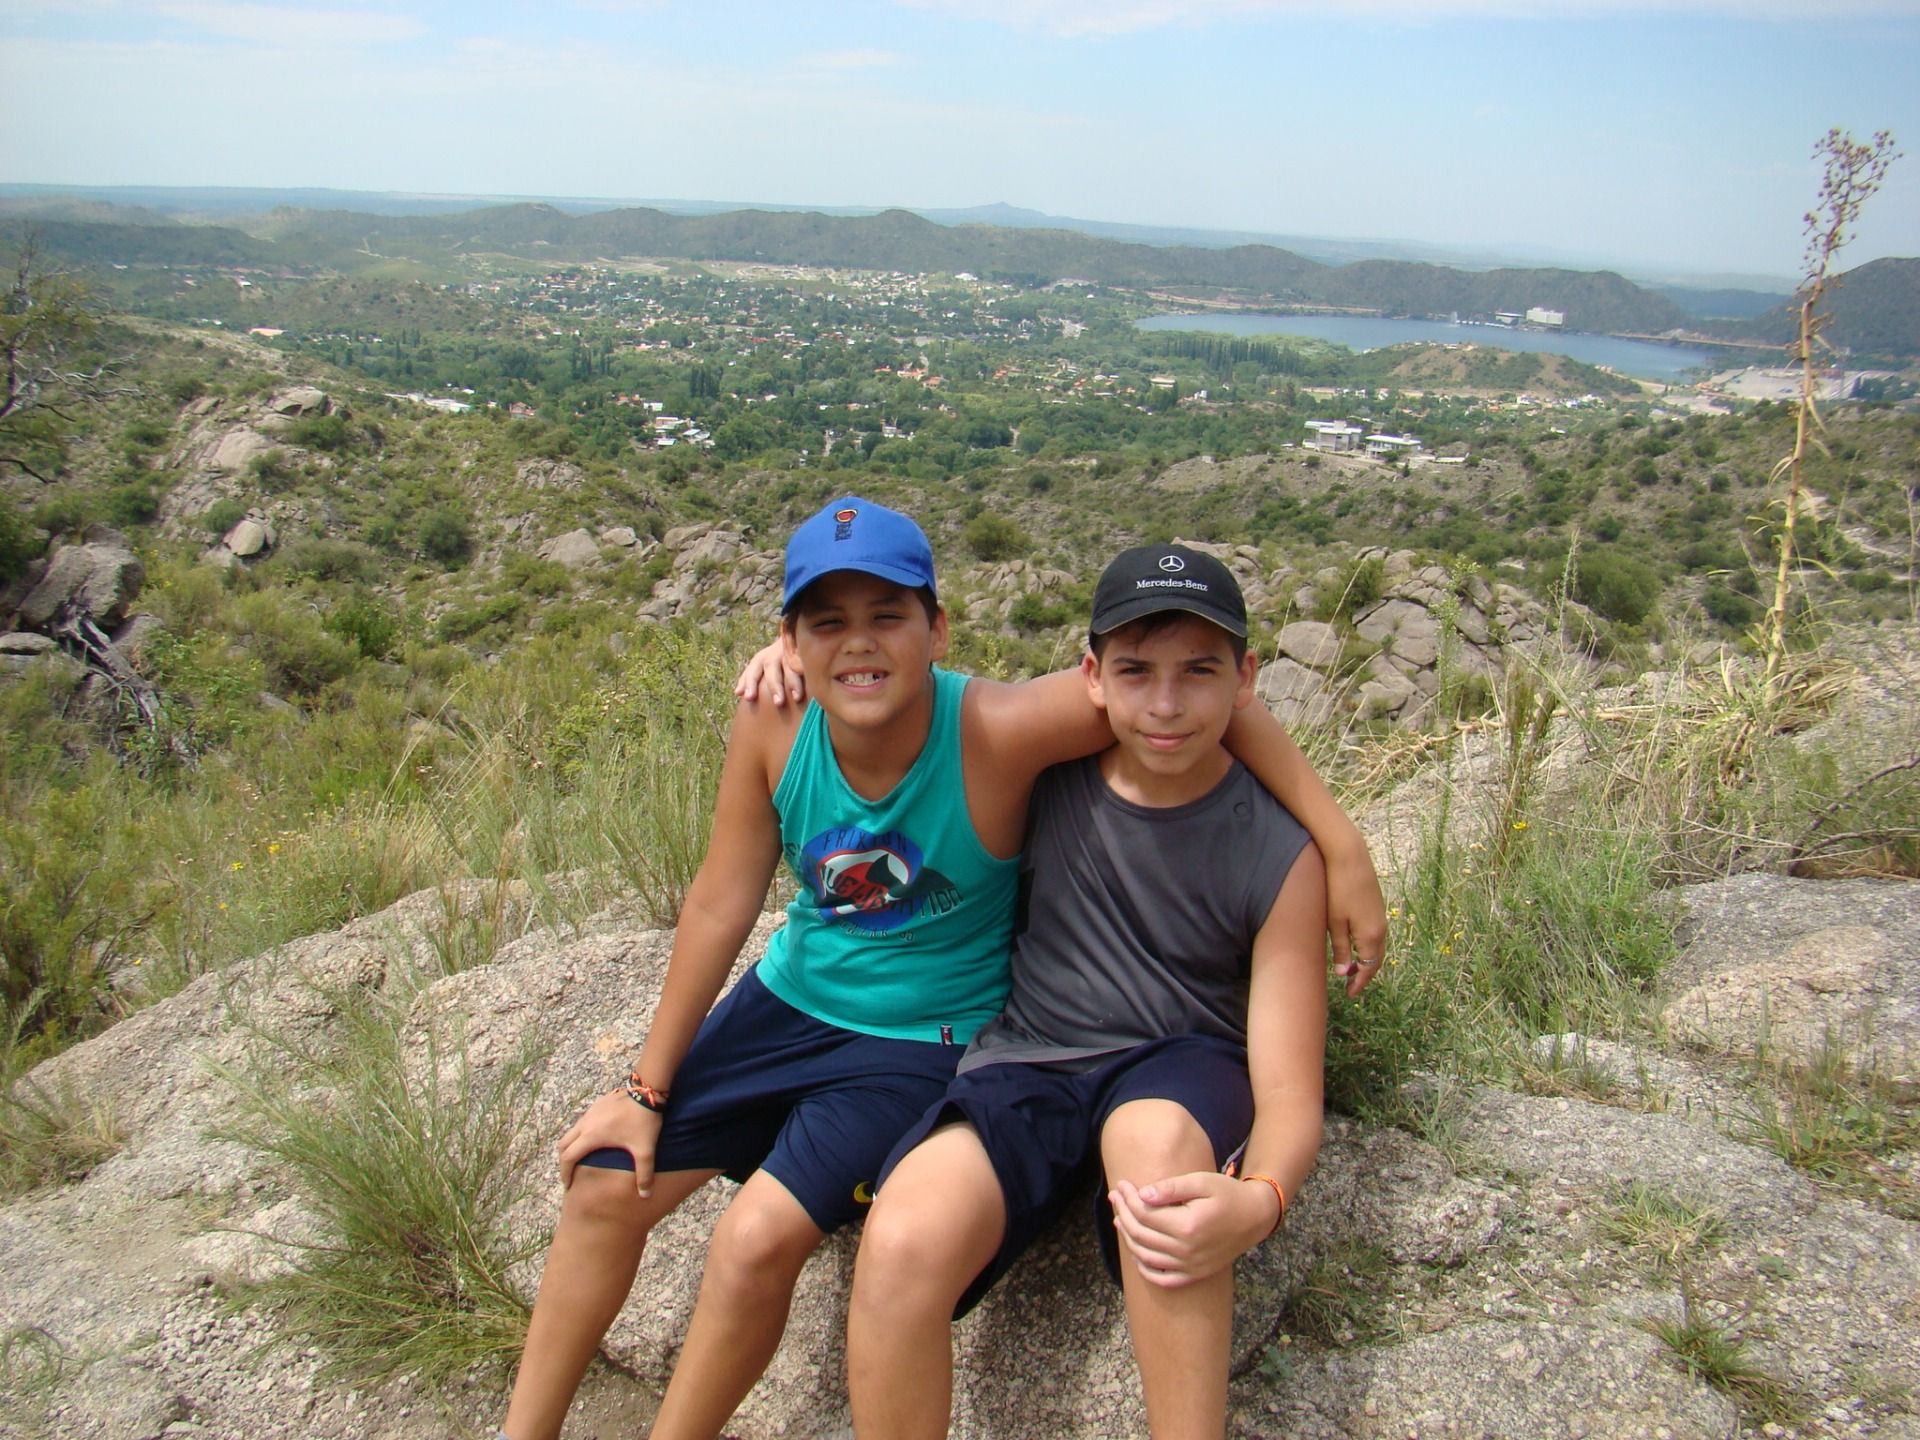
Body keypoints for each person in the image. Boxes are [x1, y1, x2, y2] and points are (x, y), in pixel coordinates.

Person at [499, 499, 1382, 1440]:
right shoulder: (775, 721)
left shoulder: (998, 730)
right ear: (788, 640)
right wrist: (645, 1087)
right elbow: (721, 899)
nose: (861, 644)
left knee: (752, 1239)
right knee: (602, 1180)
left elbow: (1185, 706)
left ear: (938, 628)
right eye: (826, 622)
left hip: (924, 1038)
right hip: (807, 1003)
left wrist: (1339, 847)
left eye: (888, 616)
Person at [845, 544, 1330, 1440]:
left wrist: (1262, 1197)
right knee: (904, 1235)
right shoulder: (1043, 775)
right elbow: (893, 702)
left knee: (1154, 1152)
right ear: (1092, 676)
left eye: (1199, 672)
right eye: (1136, 671)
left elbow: (1293, 1087)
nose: (1167, 704)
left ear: (1246, 678)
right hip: (1032, 1058)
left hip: (1181, 1059)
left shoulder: (1279, 853)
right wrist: (782, 665)